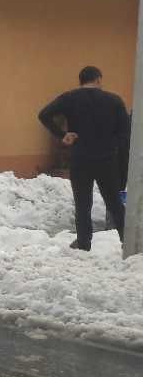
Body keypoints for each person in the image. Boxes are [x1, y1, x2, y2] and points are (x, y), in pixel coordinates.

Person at [38, 66, 130, 250]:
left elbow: (44, 114)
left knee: (83, 202)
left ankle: (83, 242)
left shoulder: (70, 98)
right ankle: (127, 241)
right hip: (107, 159)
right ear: (98, 80)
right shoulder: (114, 100)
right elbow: (125, 130)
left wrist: (62, 134)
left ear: (81, 81)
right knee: (114, 201)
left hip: (81, 157)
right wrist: (113, 145)